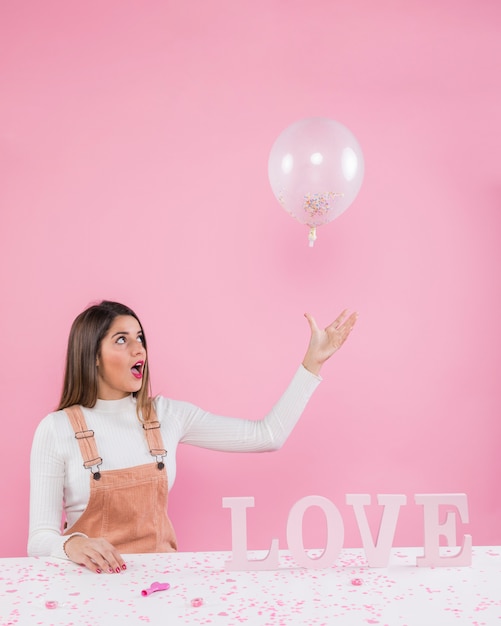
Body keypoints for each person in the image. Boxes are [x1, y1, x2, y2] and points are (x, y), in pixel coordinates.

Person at [28, 300, 357, 574]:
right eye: (121, 340)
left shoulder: (168, 415)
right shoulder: (56, 429)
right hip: (88, 591)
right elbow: (39, 538)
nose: (138, 348)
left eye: (140, 337)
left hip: (160, 588)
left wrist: (312, 362)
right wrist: (73, 543)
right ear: (92, 356)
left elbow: (267, 435)